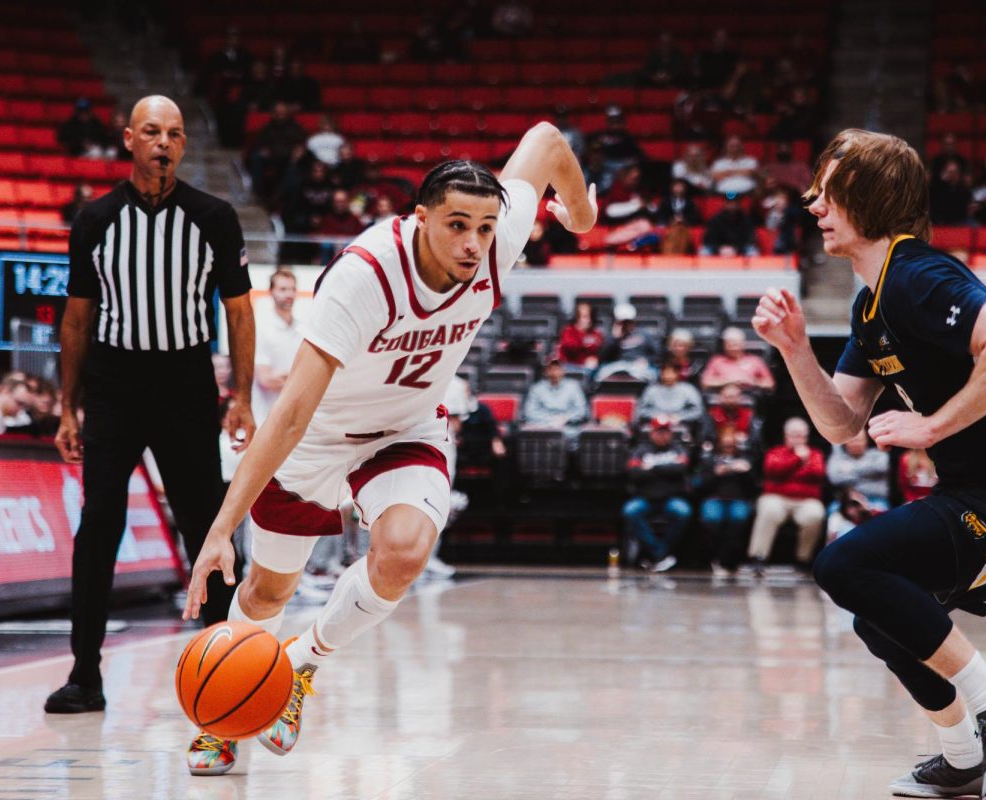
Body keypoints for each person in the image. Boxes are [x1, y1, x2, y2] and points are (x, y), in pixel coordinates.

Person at [179, 123, 597, 774]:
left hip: (404, 428)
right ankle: (225, 717)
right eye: (457, 225)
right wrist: (220, 528)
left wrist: (583, 213)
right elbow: (290, 412)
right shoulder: (366, 274)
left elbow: (545, 142)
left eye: (485, 228)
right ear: (419, 218)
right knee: (264, 593)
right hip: (317, 433)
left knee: (403, 552)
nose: (473, 242)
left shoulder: (493, 243)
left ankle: (295, 670)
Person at [752, 128, 986, 799]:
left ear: (869, 195)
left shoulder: (916, 275)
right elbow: (842, 425)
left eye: (828, 190)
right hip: (975, 492)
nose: (812, 204)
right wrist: (793, 349)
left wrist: (932, 424)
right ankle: (962, 758)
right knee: (880, 613)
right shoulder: (873, 302)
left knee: (846, 564)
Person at [44, 96, 257, 715]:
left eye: (176, 134)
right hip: (114, 384)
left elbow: (238, 312)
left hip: (186, 380)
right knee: (99, 525)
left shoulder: (214, 217)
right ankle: (85, 673)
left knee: (208, 525)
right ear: (130, 139)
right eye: (154, 132)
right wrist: (67, 407)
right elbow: (77, 319)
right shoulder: (95, 219)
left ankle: (226, 661)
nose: (165, 143)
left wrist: (240, 396)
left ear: (183, 146)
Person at [746, 417, 825, 573]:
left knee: (815, 514)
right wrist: (798, 460)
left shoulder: (815, 454)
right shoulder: (775, 452)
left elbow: (817, 473)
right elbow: (773, 471)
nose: (797, 439)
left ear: (806, 437)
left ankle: (803, 559)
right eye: (794, 435)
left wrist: (793, 467)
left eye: (801, 435)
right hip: (776, 498)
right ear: (786, 436)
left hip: (806, 500)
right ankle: (759, 557)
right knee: (769, 510)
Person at [622, 416, 692, 572]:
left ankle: (657, 555)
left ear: (670, 433)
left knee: (684, 512)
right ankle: (660, 554)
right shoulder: (641, 449)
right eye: (659, 432)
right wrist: (666, 469)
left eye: (665, 432)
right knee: (630, 511)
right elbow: (633, 472)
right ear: (652, 433)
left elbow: (681, 468)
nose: (662, 435)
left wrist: (652, 467)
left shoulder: (678, 448)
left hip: (671, 498)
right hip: (645, 498)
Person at [697, 425, 756, 578]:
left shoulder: (745, 459)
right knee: (713, 519)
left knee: (737, 519)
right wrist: (716, 474)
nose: (728, 448)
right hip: (714, 498)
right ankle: (713, 558)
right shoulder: (710, 460)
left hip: (738, 499)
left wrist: (746, 472)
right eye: (725, 444)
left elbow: (754, 486)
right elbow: (700, 485)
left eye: (731, 445)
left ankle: (729, 561)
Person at [253, 269, 305, 425]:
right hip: (266, 418)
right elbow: (266, 379)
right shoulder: (261, 327)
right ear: (271, 292)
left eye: (292, 289)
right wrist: (300, 380)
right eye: (283, 289)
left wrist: (286, 378)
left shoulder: (302, 329)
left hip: (295, 419)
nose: (289, 294)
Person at [521, 357, 588, 445]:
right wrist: (550, 421)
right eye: (551, 369)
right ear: (545, 371)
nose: (554, 372)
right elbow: (529, 412)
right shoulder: (536, 388)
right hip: (542, 427)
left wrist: (565, 418)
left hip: (568, 427)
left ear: (563, 371)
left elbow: (581, 410)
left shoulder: (573, 386)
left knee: (576, 435)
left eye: (557, 368)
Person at [700, 327, 775, 393]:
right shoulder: (717, 361)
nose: (733, 348)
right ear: (724, 345)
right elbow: (705, 383)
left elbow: (770, 384)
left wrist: (753, 382)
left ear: (743, 344)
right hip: (723, 397)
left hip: (749, 395)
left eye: (735, 344)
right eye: (730, 345)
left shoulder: (755, 360)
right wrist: (729, 381)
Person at [557, 301, 604, 368]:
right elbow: (571, 348)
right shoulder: (568, 331)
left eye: (590, 317)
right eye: (585, 317)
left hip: (591, 368)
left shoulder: (595, 333)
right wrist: (584, 342)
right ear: (577, 318)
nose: (589, 320)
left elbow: (599, 348)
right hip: (570, 367)